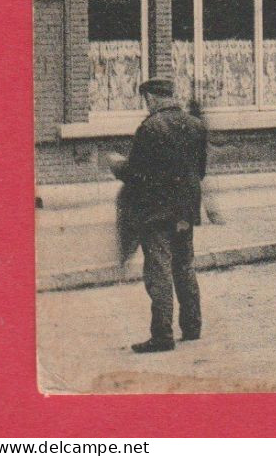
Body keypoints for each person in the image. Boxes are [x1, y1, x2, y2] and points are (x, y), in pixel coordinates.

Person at [112, 77, 207, 353]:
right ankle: (192, 326)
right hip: (185, 210)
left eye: (146, 101)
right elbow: (200, 171)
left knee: (159, 269)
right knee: (185, 265)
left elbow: (135, 173)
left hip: (157, 211)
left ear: (151, 99)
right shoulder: (196, 126)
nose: (146, 106)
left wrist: (116, 166)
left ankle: (162, 335)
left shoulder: (149, 128)